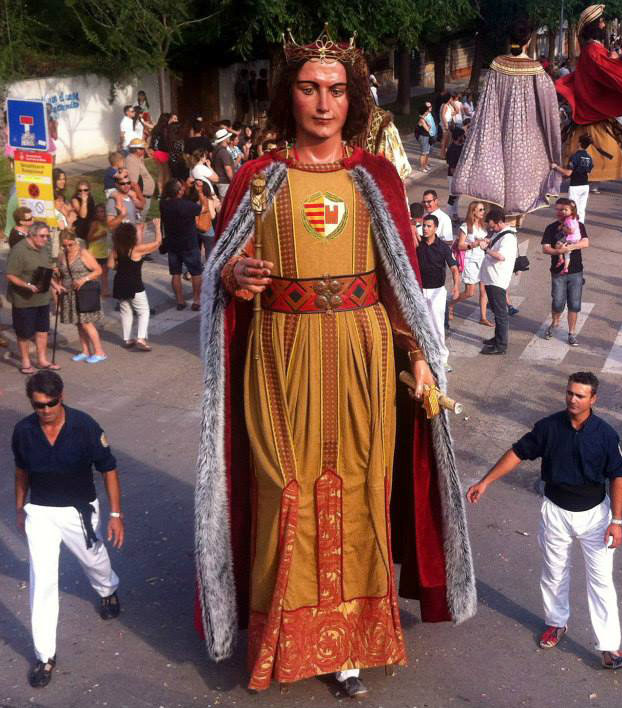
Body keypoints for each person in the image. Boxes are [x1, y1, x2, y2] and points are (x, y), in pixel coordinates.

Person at [194, 29, 475, 695]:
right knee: (279, 488)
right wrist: (233, 276)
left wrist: (419, 357)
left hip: (362, 354)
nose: (324, 103)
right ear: (288, 96)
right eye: (310, 88)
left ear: (354, 99)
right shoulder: (256, 179)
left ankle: (351, 645)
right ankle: (280, 639)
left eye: (337, 90)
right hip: (278, 358)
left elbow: (399, 280)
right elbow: (217, 276)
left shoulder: (374, 177)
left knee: (358, 491)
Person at [466, 371, 622, 671]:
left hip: (596, 516)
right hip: (555, 511)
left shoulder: (606, 435)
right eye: (570, 393)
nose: (572, 399)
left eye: (580, 395)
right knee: (554, 572)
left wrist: (617, 522)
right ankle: (557, 623)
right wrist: (486, 481)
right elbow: (518, 453)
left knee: (601, 582)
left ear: (593, 399)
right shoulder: (548, 427)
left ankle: (610, 647)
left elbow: (617, 477)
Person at [12, 371, 124, 688]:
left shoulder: (85, 427)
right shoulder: (23, 432)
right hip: (42, 512)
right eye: (39, 405)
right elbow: (21, 471)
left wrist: (116, 514)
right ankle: (45, 655)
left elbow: (109, 469)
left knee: (94, 559)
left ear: (62, 397)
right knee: (42, 579)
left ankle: (107, 589)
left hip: (79, 511)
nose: (45, 410)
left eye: (51, 403)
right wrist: (20, 508)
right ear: (32, 403)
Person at [452, 18, 562, 216]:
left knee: (499, 181)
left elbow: (486, 100)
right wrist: (553, 145)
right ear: (528, 41)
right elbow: (549, 108)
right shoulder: (536, 70)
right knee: (521, 185)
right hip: (526, 139)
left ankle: (499, 222)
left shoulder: (497, 65)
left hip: (498, 132)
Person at [555, 5, 622, 183]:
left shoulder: (592, 49)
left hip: (595, 104)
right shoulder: (593, 51)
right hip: (593, 104)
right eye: (601, 22)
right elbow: (607, 72)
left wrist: (613, 60)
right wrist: (616, 63)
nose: (604, 25)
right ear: (594, 26)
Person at [5, 223, 62, 374]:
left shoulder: (44, 248)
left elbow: (46, 271)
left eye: (47, 236)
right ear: (32, 235)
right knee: (24, 332)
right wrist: (27, 285)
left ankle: (42, 360)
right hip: (24, 299)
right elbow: (10, 275)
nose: (45, 239)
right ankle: (25, 361)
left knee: (42, 330)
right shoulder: (19, 250)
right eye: (42, 236)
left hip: (42, 298)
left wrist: (55, 285)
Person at [540, 198, 589, 345]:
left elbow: (585, 242)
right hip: (557, 271)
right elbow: (545, 248)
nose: (560, 212)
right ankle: (555, 323)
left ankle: (571, 332)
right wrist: (558, 251)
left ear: (571, 211)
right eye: (558, 209)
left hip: (575, 271)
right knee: (558, 302)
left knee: (574, 304)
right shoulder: (551, 228)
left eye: (563, 209)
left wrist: (569, 248)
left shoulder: (578, 225)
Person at [417, 214, 461, 372]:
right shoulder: (418, 244)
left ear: (435, 228)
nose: (425, 229)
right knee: (422, 326)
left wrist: (456, 287)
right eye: (424, 225)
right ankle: (425, 358)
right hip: (420, 291)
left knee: (437, 326)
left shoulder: (443, 247)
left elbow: (454, 268)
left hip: (437, 292)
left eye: (429, 226)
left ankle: (442, 360)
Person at [57, 229, 108, 364]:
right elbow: (61, 273)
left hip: (84, 292)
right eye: (65, 245)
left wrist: (84, 279)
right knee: (79, 324)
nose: (68, 248)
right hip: (69, 293)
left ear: (75, 241)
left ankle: (99, 352)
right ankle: (85, 351)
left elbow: (98, 270)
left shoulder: (83, 253)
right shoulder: (62, 255)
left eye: (70, 245)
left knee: (86, 323)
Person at [108, 222, 160, 351]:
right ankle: (141, 338)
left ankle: (127, 339)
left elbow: (110, 265)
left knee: (125, 311)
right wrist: (158, 228)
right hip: (134, 284)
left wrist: (119, 266)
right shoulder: (136, 249)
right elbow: (157, 243)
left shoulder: (116, 249)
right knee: (143, 311)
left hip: (119, 283)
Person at [158, 178, 203, 311]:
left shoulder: (164, 204)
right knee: (196, 273)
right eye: (181, 187)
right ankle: (196, 300)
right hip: (189, 243)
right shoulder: (186, 205)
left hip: (172, 243)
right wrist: (199, 192)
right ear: (178, 191)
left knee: (175, 273)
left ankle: (180, 301)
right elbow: (201, 209)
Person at [478, 206, 517, 355]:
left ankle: (501, 346)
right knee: (496, 311)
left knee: (500, 314)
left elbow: (501, 256)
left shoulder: (508, 237)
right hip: (490, 278)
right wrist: (487, 242)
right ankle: (497, 338)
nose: (490, 227)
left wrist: (486, 250)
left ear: (498, 222)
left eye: (491, 224)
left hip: (497, 279)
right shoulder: (499, 233)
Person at [455, 201, 490, 325]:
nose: (483, 212)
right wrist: (474, 244)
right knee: (470, 292)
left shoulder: (483, 225)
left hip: (482, 260)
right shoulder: (466, 226)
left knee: (483, 290)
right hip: (470, 261)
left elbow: (484, 244)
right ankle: (450, 304)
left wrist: (486, 242)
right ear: (473, 211)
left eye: (483, 209)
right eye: (480, 210)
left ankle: (483, 317)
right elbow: (460, 245)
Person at [552, 134, 594, 222]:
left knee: (571, 209)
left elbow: (568, 173)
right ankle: (580, 229)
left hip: (575, 186)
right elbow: (587, 171)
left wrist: (556, 167)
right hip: (585, 186)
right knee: (581, 210)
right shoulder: (589, 158)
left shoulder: (575, 156)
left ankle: (572, 228)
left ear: (579, 143)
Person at [415, 103, 433, 172]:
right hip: (423, 137)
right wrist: (429, 126)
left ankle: (425, 165)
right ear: (424, 112)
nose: (428, 112)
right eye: (427, 111)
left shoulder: (424, 118)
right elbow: (427, 129)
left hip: (426, 136)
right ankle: (422, 167)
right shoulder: (422, 120)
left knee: (427, 152)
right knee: (423, 153)